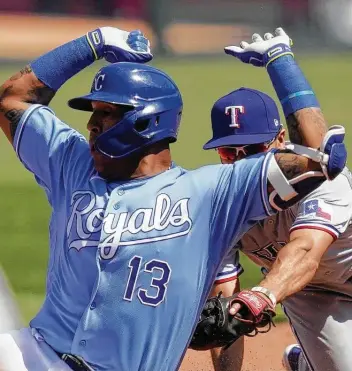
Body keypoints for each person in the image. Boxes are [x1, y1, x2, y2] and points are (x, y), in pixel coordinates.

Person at [0, 26, 345, 371]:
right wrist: (94, 43)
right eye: (94, 112)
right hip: (35, 354)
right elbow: (13, 99)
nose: (91, 124)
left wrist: (281, 62)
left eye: (107, 112)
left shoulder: (213, 193)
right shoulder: (70, 163)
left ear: (145, 119)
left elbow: (320, 159)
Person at [197, 33, 352, 371]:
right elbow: (224, 310)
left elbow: (305, 252)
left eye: (252, 150)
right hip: (313, 296)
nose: (242, 163)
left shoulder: (322, 183)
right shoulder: (220, 207)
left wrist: (262, 294)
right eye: (228, 152)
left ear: (281, 140)